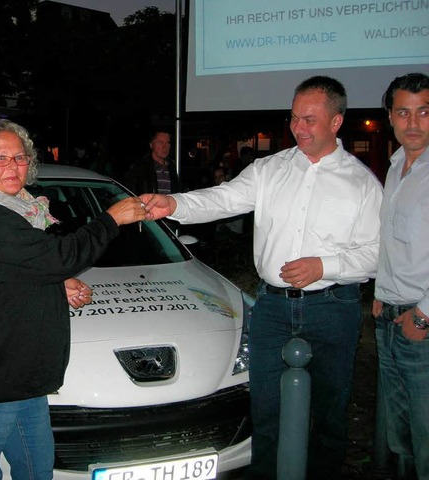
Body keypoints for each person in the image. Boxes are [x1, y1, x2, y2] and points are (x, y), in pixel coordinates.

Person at [141, 76, 383, 479]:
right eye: (294, 118)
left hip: (333, 308)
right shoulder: (270, 169)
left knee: (329, 408)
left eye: (309, 119)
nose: (298, 128)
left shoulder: (361, 183)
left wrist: (325, 266)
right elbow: (223, 198)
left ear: (336, 122)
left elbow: (376, 253)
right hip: (271, 306)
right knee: (265, 406)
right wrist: (173, 204)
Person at [0, 119, 145, 479]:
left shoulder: (20, 210)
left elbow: (18, 268)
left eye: (19, 157)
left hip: (22, 375)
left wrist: (55, 282)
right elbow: (57, 255)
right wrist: (110, 219)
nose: (12, 166)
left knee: (36, 469)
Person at [372, 72, 429, 480]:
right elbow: (391, 242)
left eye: (424, 112)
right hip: (389, 319)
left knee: (426, 439)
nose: (413, 123)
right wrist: (380, 292)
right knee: (400, 437)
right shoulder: (395, 167)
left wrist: (424, 315)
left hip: (421, 326)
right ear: (390, 117)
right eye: (404, 113)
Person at [125, 130, 181, 194]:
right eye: (160, 142)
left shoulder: (171, 167)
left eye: (168, 143)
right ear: (151, 145)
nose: (165, 147)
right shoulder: (141, 168)